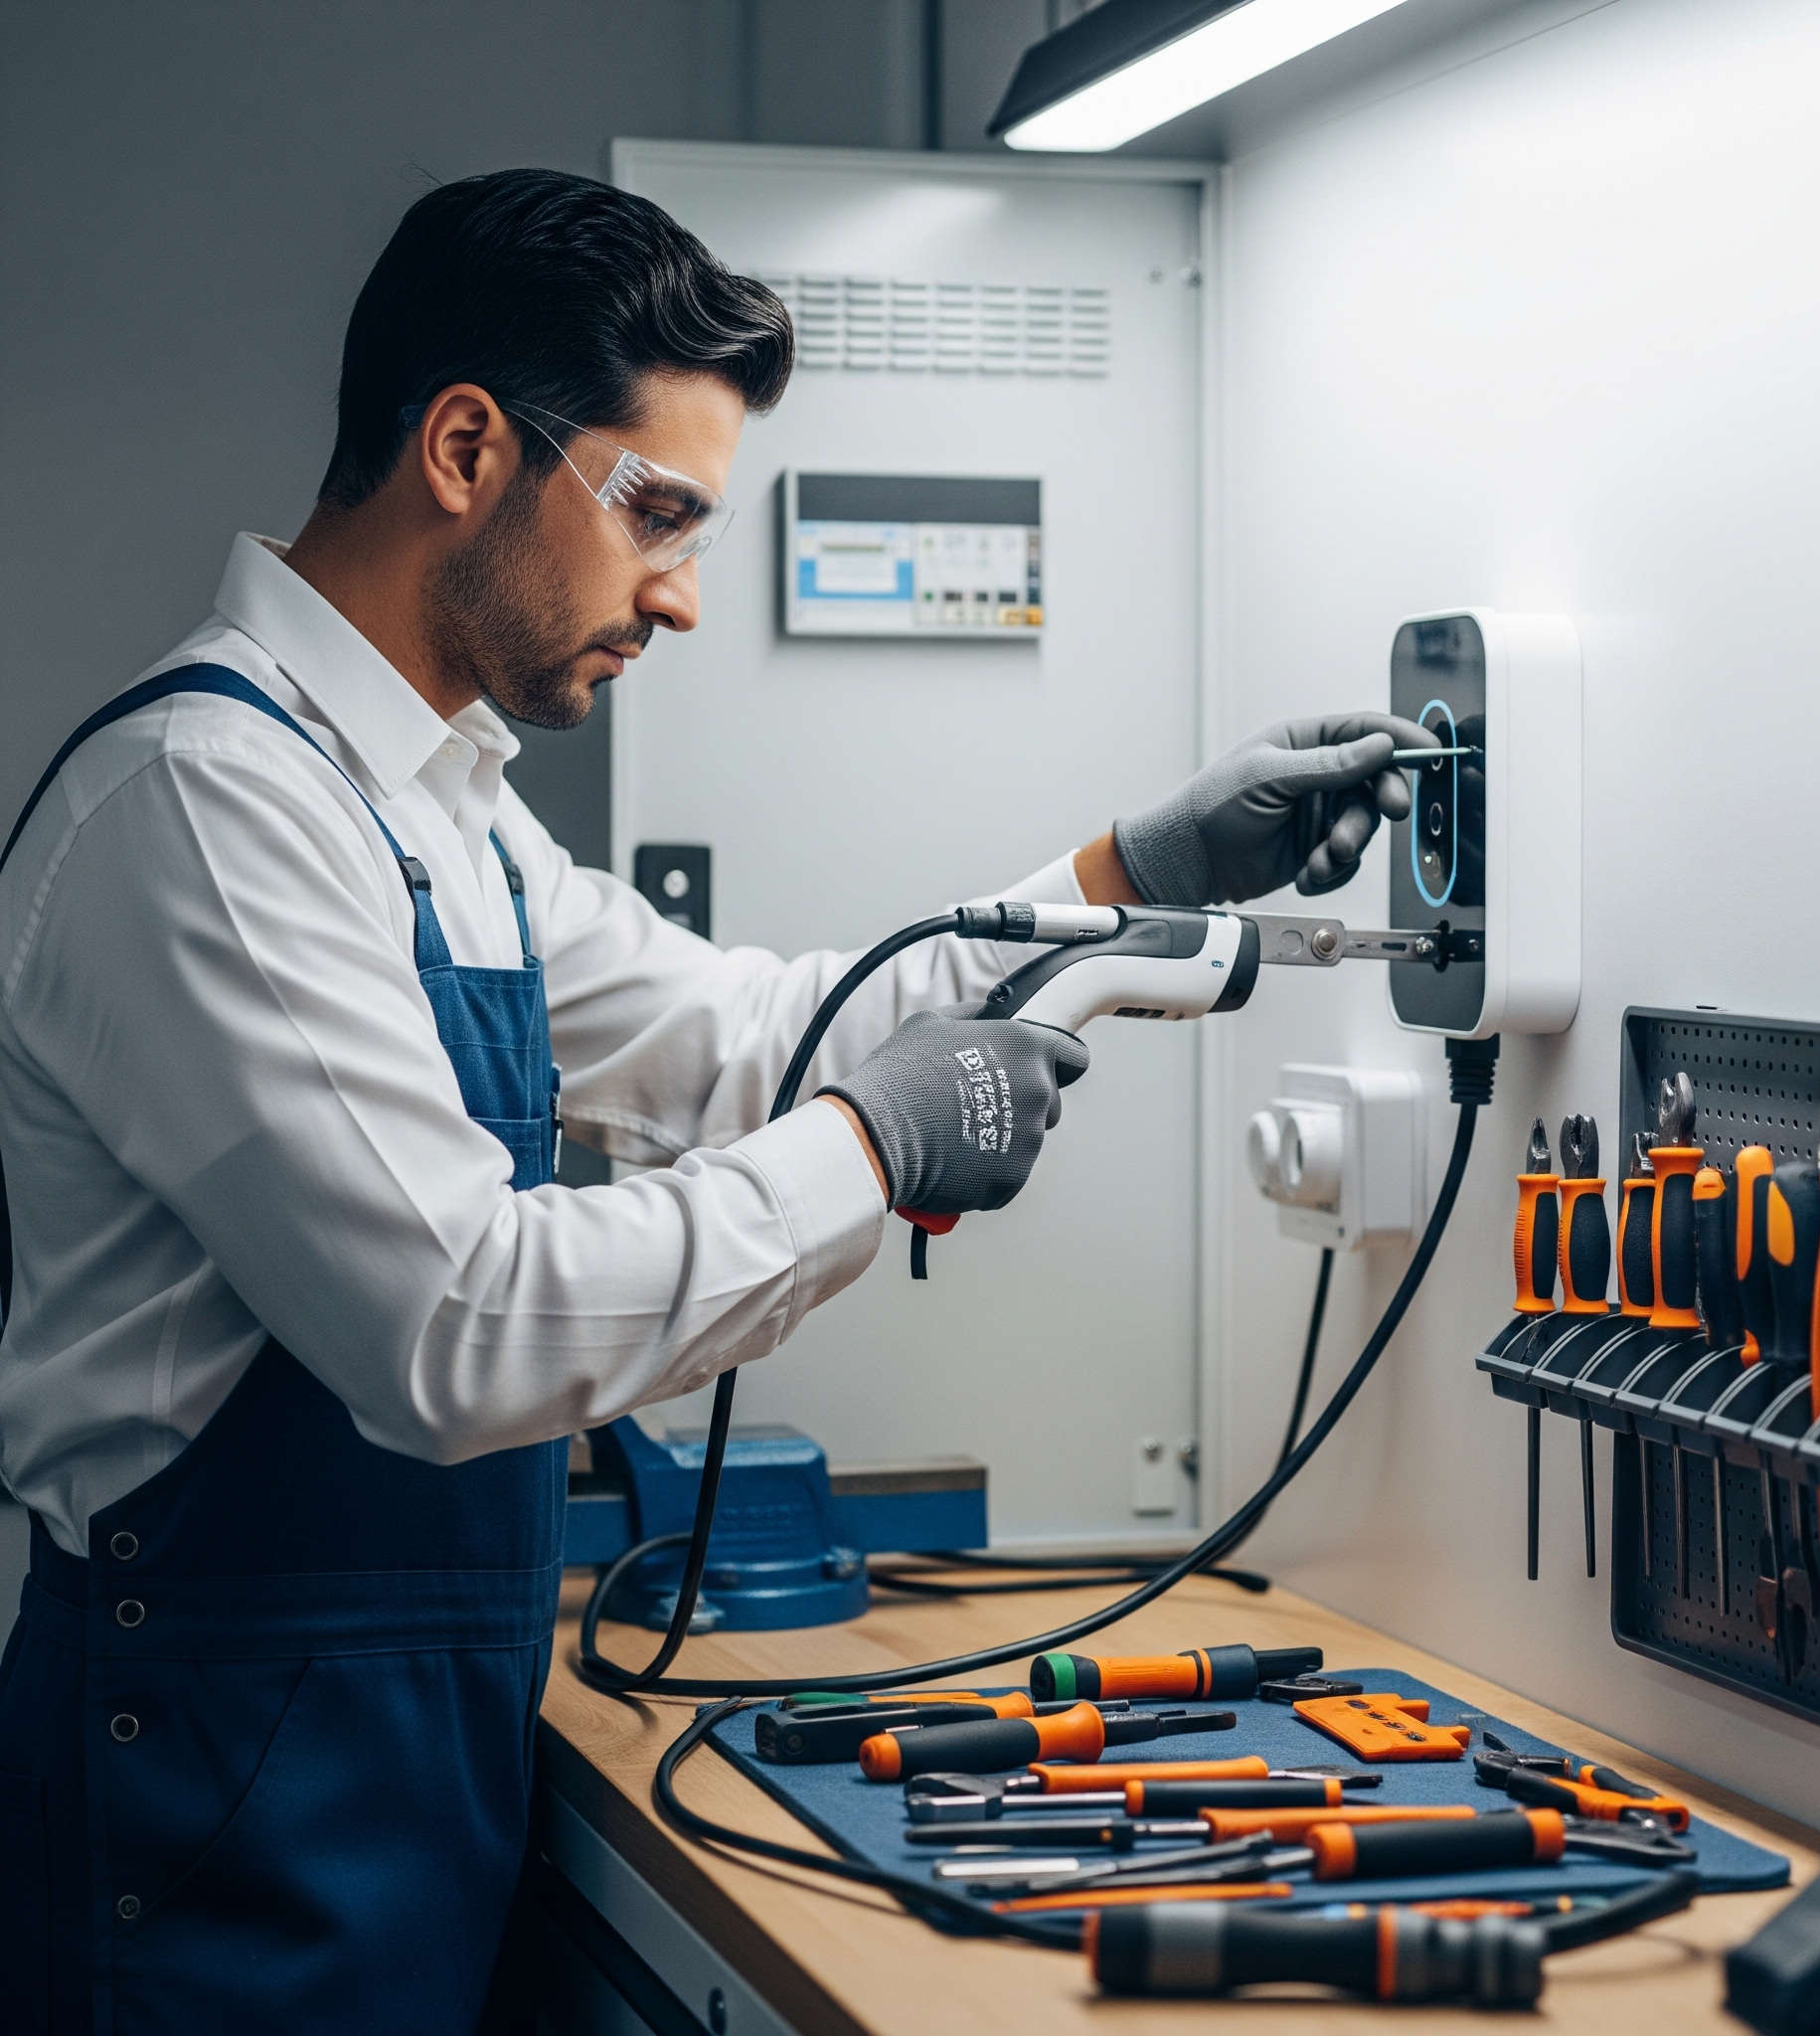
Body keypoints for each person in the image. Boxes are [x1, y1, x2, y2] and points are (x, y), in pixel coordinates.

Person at [0, 167, 1432, 2034]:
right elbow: (457, 1325)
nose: (678, 592)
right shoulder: (209, 805)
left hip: (395, 1758)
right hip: (208, 1807)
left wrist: (1129, 878)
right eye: (655, 511)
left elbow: (755, 1039)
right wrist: (881, 1146)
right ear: (461, 448)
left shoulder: (438, 804)